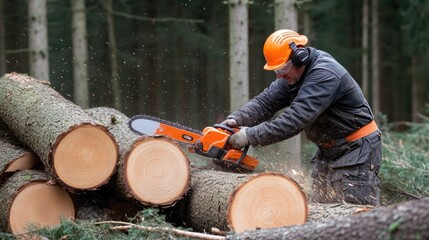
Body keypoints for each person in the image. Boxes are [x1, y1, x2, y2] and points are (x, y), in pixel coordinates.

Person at [221, 29, 382, 206]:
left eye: (282, 68)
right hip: (328, 150)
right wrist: (235, 120)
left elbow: (295, 120)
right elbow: (265, 102)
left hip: (356, 149)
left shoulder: (325, 74)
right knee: (322, 210)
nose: (279, 75)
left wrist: (250, 135)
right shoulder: (293, 76)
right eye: (275, 70)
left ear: (300, 57)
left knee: (354, 214)